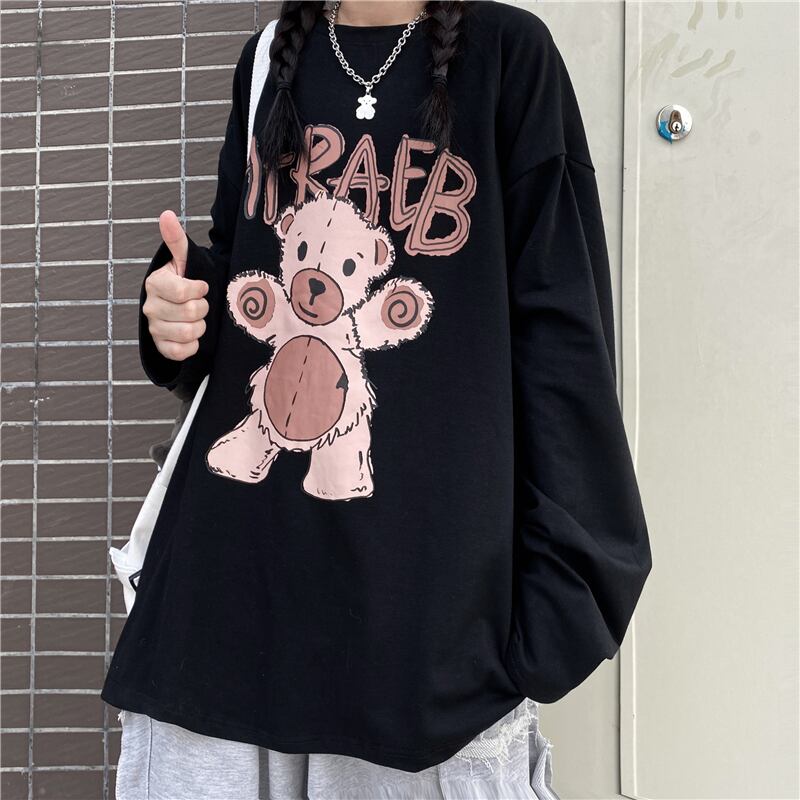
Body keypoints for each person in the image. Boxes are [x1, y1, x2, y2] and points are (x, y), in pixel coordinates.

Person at [101, 1, 653, 797]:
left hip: (423, 652)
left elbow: (563, 340)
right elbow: (245, 295)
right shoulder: (268, 60)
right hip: (222, 627)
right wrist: (179, 312)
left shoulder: (509, 57)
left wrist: (552, 618)